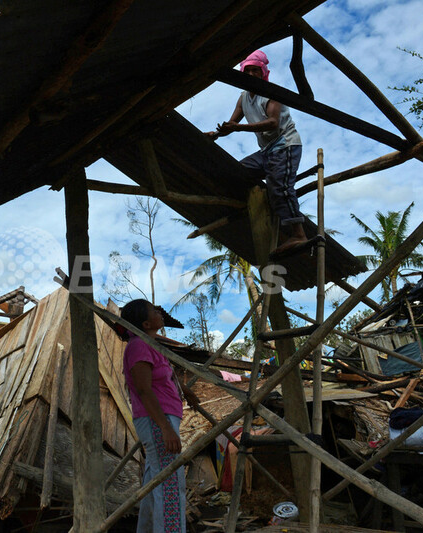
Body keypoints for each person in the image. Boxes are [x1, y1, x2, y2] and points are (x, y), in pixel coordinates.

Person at [206, 49, 308, 257]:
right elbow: (232, 124)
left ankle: (299, 234)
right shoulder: (243, 97)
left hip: (285, 145)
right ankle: (256, 205)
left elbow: (273, 123)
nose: (251, 75)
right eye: (247, 71)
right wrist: (216, 133)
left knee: (280, 187)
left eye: (256, 71)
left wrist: (238, 128)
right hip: (266, 151)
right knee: (238, 171)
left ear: (263, 73)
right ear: (242, 72)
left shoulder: (272, 93)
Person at [120, 299, 199, 533]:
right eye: (154, 311)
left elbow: (164, 376)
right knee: (170, 483)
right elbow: (144, 389)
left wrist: (185, 391)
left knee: (155, 482)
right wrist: (165, 427)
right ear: (145, 323)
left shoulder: (149, 345)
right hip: (157, 419)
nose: (160, 312)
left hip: (161, 417)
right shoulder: (138, 346)